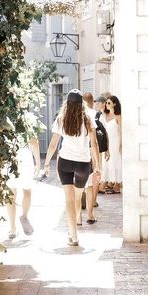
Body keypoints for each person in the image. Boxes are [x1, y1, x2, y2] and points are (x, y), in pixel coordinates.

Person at [43, 89, 100, 246]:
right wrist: (97, 166)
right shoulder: (88, 119)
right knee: (77, 197)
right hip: (83, 163)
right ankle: (73, 229)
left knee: (69, 200)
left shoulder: (61, 119)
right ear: (82, 103)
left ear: (67, 103)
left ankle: (74, 234)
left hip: (65, 162)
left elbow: (53, 144)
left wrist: (46, 163)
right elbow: (94, 144)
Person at [5, 135, 41, 239]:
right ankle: (24, 216)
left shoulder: (3, 124)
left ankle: (12, 229)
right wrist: (38, 163)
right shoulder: (28, 124)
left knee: (10, 195)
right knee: (27, 192)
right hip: (26, 161)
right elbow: (34, 143)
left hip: (9, 161)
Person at [78, 92, 101, 225]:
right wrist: (97, 163)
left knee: (77, 189)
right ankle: (90, 215)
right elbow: (94, 143)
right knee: (89, 187)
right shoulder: (90, 117)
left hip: (71, 158)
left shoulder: (69, 117)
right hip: (86, 157)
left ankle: (78, 218)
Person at [103, 95, 122, 193]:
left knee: (116, 161)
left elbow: (121, 131)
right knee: (108, 162)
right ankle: (111, 181)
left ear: (114, 104)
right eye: (106, 103)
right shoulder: (105, 116)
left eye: (109, 103)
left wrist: (121, 145)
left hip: (116, 141)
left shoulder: (118, 116)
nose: (107, 104)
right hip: (108, 141)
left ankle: (117, 184)